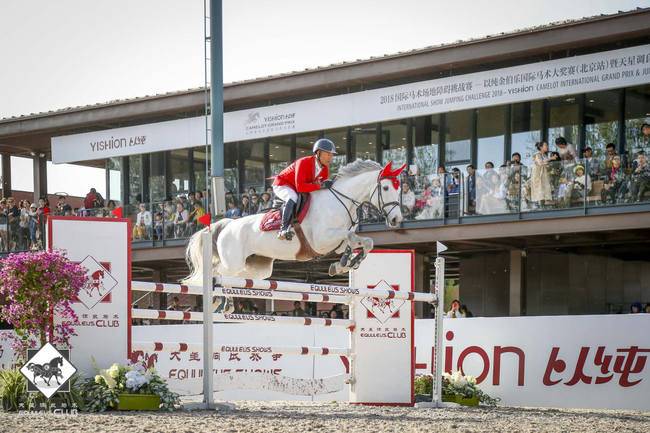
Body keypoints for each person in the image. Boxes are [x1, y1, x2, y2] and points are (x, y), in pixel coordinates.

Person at [272, 138, 335, 240]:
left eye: (332, 155)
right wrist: (321, 185)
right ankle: (283, 229)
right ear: (318, 153)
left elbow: (320, 189)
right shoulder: (303, 162)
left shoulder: (325, 169)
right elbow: (301, 187)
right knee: (292, 197)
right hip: (283, 184)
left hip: (297, 187)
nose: (330, 158)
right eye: (328, 154)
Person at [530, 142, 555, 206]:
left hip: (544, 176)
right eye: (545, 145)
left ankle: (543, 206)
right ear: (541, 147)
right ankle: (539, 207)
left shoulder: (545, 156)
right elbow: (540, 163)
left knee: (544, 192)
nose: (547, 147)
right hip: (538, 176)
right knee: (539, 192)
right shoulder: (538, 154)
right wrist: (551, 158)